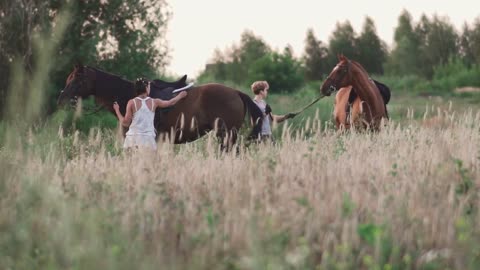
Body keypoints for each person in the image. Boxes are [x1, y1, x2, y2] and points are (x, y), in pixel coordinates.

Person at [113, 77, 187, 150]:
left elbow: (125, 123)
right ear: (146, 88)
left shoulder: (131, 103)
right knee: (150, 162)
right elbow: (170, 103)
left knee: (131, 161)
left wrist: (117, 110)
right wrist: (180, 96)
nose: (149, 88)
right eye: (149, 86)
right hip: (148, 140)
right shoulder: (154, 102)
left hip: (132, 139)